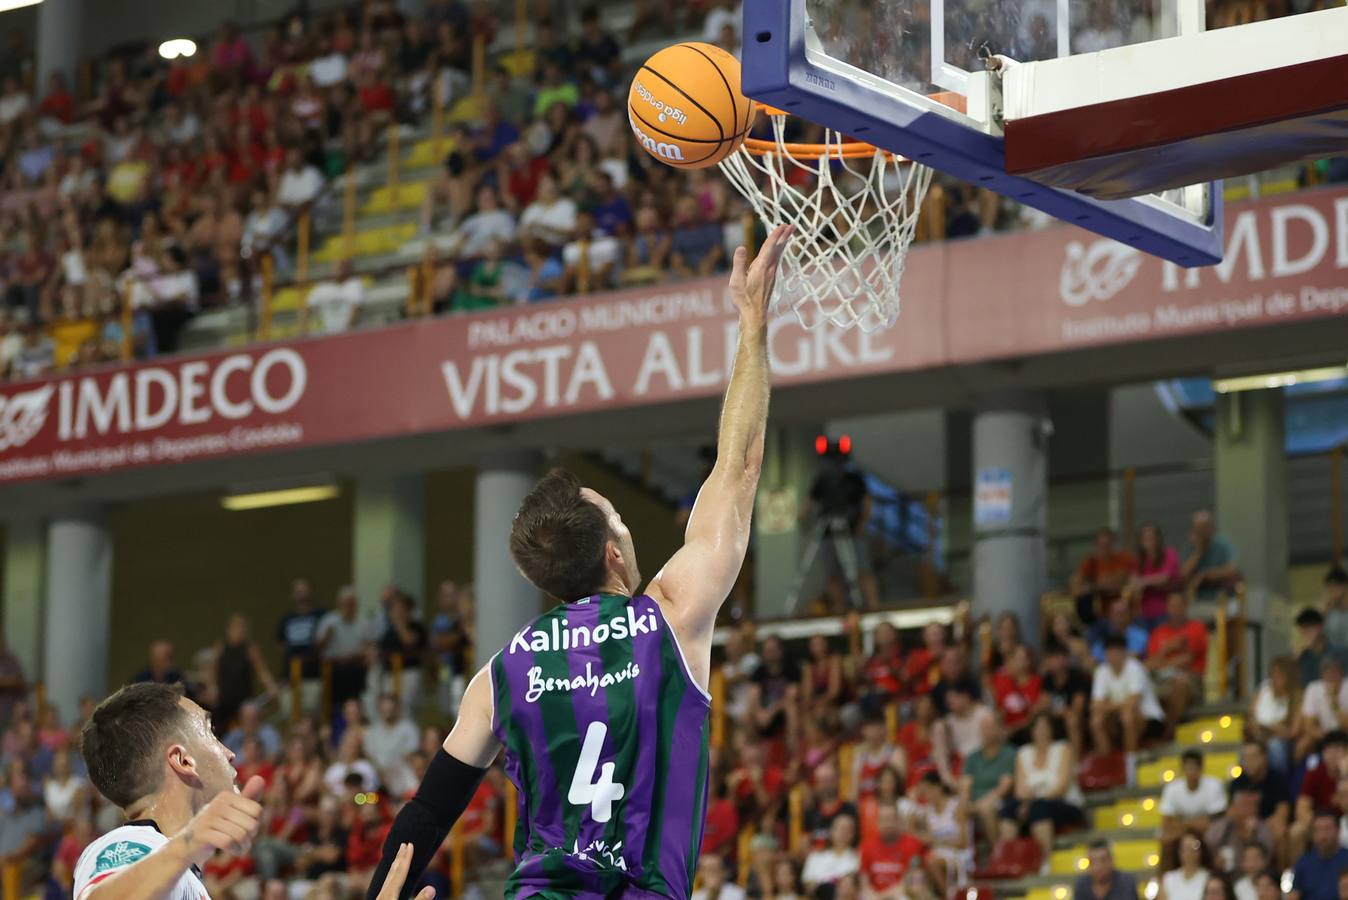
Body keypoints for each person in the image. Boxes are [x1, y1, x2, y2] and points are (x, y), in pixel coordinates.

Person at [363, 225, 793, 899]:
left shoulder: (500, 674)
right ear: (614, 552)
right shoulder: (671, 616)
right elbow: (738, 467)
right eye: (619, 517)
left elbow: (428, 811)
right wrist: (752, 323)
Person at [72, 683, 267, 900]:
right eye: (211, 732)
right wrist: (190, 842)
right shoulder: (130, 843)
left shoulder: (178, 872)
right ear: (183, 760)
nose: (230, 753)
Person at [998, 713, 1084, 861]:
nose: (1041, 731)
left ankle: (1046, 860)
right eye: (1037, 727)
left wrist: (1032, 803)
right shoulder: (1023, 753)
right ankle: (1011, 859)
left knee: (1039, 808)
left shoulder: (1063, 748)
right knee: (1008, 810)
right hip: (1030, 803)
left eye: (1045, 727)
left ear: (1052, 729)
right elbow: (1020, 789)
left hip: (1064, 802)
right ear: (1031, 730)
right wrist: (1027, 803)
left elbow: (1062, 786)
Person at [1090, 635, 1166, 775]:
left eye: (1116, 651)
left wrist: (1109, 706)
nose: (1113, 655)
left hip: (1149, 719)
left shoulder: (1135, 668)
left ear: (1124, 652)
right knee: (1097, 719)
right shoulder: (1101, 671)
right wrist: (1112, 707)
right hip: (1119, 719)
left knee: (1128, 715)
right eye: (1109, 652)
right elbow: (1096, 704)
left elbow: (1133, 701)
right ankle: (1106, 762)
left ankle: (1131, 762)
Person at [1148, 592, 1209, 732]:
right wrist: (1168, 649)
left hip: (1191, 678)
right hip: (1161, 678)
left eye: (1179, 606)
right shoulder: (1158, 632)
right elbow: (1149, 664)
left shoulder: (1196, 628)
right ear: (1167, 609)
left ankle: (1170, 731)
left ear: (1185, 607)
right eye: (1172, 606)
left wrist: (1162, 662)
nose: (1175, 610)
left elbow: (1187, 660)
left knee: (1180, 683)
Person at [212, 614, 279, 734]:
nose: (239, 632)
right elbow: (213, 671)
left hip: (245, 699)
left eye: (242, 628)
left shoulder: (251, 650)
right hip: (224, 700)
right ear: (229, 630)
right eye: (236, 628)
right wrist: (213, 688)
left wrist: (271, 686)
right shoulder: (220, 648)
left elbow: (262, 671)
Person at [961, 716, 1016, 841]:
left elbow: (1004, 788)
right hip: (974, 802)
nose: (987, 732)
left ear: (999, 730)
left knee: (987, 808)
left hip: (999, 800)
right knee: (957, 809)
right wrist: (964, 803)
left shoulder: (1009, 753)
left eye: (991, 727)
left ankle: (996, 849)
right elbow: (965, 785)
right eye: (984, 728)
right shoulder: (972, 757)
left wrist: (978, 805)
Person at [1229, 741, 1289, 850]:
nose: (1249, 762)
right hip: (1243, 824)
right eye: (1245, 758)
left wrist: (1261, 825)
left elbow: (1282, 812)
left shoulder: (1277, 780)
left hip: (1268, 824)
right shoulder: (1236, 783)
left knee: (1280, 830)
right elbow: (1231, 812)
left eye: (1253, 757)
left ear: (1264, 758)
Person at [277, 578, 325, 716]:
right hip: (291, 678)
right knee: (290, 714)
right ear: (292, 595)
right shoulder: (286, 619)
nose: (301, 594)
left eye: (304, 590)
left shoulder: (321, 616)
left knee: (311, 716)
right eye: (298, 591)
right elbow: (281, 646)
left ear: (311, 591)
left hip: (314, 676)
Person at [859, 804, 926, 898]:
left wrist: (884, 897)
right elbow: (864, 882)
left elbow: (913, 880)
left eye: (891, 819)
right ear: (877, 822)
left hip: (901, 894)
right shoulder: (867, 845)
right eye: (883, 819)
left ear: (899, 821)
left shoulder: (913, 844)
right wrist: (874, 897)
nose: (887, 824)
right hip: (873, 896)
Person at [1248, 656, 1300, 775]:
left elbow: (1293, 732)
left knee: (1275, 746)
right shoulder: (1263, 690)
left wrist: (1273, 729)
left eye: (1279, 676)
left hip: (1283, 741)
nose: (1275, 680)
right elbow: (1251, 716)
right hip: (1259, 736)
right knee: (1250, 750)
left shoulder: (1297, 698)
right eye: (1273, 675)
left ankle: (1279, 780)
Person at [1162, 750, 1229, 842]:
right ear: (1182, 769)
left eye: (1194, 768)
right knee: (1166, 837)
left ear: (1201, 769)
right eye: (1188, 768)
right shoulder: (1171, 788)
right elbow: (1166, 821)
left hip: (1207, 831)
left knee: (1217, 831)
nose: (1191, 772)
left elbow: (1216, 819)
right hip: (1182, 831)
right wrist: (1191, 825)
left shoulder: (1214, 785)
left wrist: (1185, 823)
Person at [1070, 527, 1134, 625]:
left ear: (1113, 543)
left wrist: (1092, 587)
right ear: (1096, 545)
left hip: (1122, 613)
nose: (1104, 549)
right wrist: (1097, 586)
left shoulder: (1122, 558)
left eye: (1107, 545)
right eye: (1101, 545)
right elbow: (1075, 586)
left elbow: (1117, 584)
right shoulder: (1091, 562)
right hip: (1100, 615)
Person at [1205, 788, 1274, 875]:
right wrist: (1214, 860)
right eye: (1245, 805)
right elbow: (1206, 851)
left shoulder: (1263, 831)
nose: (1249, 810)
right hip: (1224, 877)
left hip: (1253, 878)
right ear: (1234, 807)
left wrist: (1251, 837)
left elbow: (1266, 861)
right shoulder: (1220, 827)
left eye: (1253, 805)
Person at [1040, 641, 1090, 757]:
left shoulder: (1077, 677)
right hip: (1056, 716)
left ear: (1066, 659)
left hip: (1079, 719)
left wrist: (1057, 711)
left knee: (1072, 719)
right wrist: (1052, 710)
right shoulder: (1047, 679)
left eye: (1059, 657)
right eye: (1052, 658)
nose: (1056, 662)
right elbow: (1043, 704)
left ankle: (1075, 760)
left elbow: (1077, 708)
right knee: (1041, 721)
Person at [1182, 511, 1240, 610]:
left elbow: (1233, 569)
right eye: (1198, 529)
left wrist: (1205, 575)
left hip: (1223, 598)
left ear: (1211, 528)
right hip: (1198, 600)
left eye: (1204, 528)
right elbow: (1183, 574)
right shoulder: (1190, 548)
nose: (1202, 533)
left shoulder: (1223, 544)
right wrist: (1198, 552)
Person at [1129, 523, 1182, 629]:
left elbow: (1165, 578)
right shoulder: (1138, 561)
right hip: (1143, 613)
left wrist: (1143, 582)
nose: (1149, 541)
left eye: (1152, 537)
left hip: (1166, 611)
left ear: (1158, 539)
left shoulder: (1169, 553)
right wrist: (1152, 582)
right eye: (1145, 538)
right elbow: (1133, 583)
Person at [1298, 658, 1348, 761]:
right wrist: (1326, 736)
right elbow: (1308, 725)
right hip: (1323, 734)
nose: (1331, 675)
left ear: (1342, 673)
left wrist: (1334, 701)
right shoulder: (1313, 688)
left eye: (1335, 671)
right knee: (1303, 744)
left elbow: (1346, 726)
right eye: (1327, 671)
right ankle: (1302, 770)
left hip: (1344, 734)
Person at [1291, 810, 1348, 900]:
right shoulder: (1303, 862)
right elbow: (1294, 894)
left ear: (1338, 830)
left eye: (1327, 829)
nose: (1323, 835)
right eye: (1318, 830)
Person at [801, 814, 861, 893]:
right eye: (840, 828)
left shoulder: (858, 858)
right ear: (831, 831)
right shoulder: (815, 857)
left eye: (847, 830)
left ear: (853, 834)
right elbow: (808, 885)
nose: (843, 833)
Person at [1072, 840, 1139, 900]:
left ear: (1111, 860)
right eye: (1092, 862)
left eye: (1103, 861)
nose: (1098, 867)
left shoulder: (1126, 882)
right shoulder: (1081, 885)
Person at [1159, 832, 1213, 900]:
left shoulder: (1208, 877)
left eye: (1193, 848)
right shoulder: (1168, 878)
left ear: (1201, 851)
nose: (1189, 853)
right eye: (1184, 848)